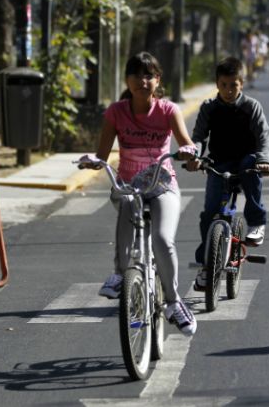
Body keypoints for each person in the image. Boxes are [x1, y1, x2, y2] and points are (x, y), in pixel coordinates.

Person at [78, 51, 198, 336]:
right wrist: (91, 161)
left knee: (162, 239)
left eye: (149, 75)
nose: (143, 81)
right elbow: (102, 155)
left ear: (157, 80)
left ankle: (173, 302)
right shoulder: (116, 112)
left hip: (162, 184)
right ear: (128, 80)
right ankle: (120, 274)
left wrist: (189, 153)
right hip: (129, 186)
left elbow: (188, 144)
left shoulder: (168, 111)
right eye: (137, 75)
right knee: (129, 200)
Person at [185, 57, 269, 291]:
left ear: (241, 84)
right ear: (217, 84)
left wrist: (264, 161)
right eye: (223, 85)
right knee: (209, 214)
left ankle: (256, 224)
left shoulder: (251, 107)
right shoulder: (209, 108)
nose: (228, 90)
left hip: (246, 160)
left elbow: (263, 137)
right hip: (219, 163)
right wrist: (195, 157)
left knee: (250, 164)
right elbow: (199, 138)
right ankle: (206, 266)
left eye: (233, 85)